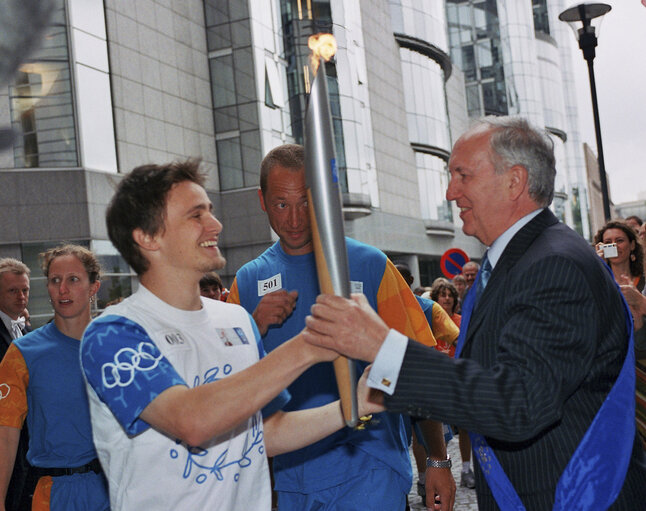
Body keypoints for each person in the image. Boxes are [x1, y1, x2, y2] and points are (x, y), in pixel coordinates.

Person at [303, 116, 646, 510]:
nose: (451, 192)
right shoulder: (518, 259)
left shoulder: (555, 265)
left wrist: (385, 348)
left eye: (462, 175)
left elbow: (518, 403)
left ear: (514, 181)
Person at [79, 160, 379, 511]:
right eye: (196, 215)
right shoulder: (112, 333)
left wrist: (354, 404)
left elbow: (265, 433)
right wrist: (313, 343)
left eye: (211, 211)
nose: (215, 225)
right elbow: (191, 421)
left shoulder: (237, 320)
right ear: (147, 237)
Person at [227, 144, 455, 511]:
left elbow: (419, 369)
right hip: (288, 481)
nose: (295, 218)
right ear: (262, 200)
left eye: (305, 202)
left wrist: (438, 460)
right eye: (282, 204)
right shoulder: (248, 281)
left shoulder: (372, 265)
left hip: (372, 466)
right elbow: (232, 388)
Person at [0, 245, 110, 511]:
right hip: (54, 495)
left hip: (116, 488)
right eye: (54, 280)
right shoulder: (22, 353)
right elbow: (5, 433)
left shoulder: (115, 347)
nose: (62, 289)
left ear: (93, 287)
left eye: (73, 279)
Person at [429, 278, 475, 489]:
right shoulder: (429, 321)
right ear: (435, 299)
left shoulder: (461, 320)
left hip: (459, 379)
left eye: (450, 295)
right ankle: (441, 467)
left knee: (465, 426)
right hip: (437, 382)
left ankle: (466, 469)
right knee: (439, 430)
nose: (446, 298)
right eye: (442, 295)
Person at [0, 258, 33, 511]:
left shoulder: (24, 327)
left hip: (27, 437)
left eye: (25, 290)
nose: (21, 296)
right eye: (13, 290)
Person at [594, 220, 644, 292]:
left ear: (632, 245)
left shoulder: (644, 279)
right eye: (608, 242)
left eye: (619, 240)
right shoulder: (598, 281)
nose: (614, 245)